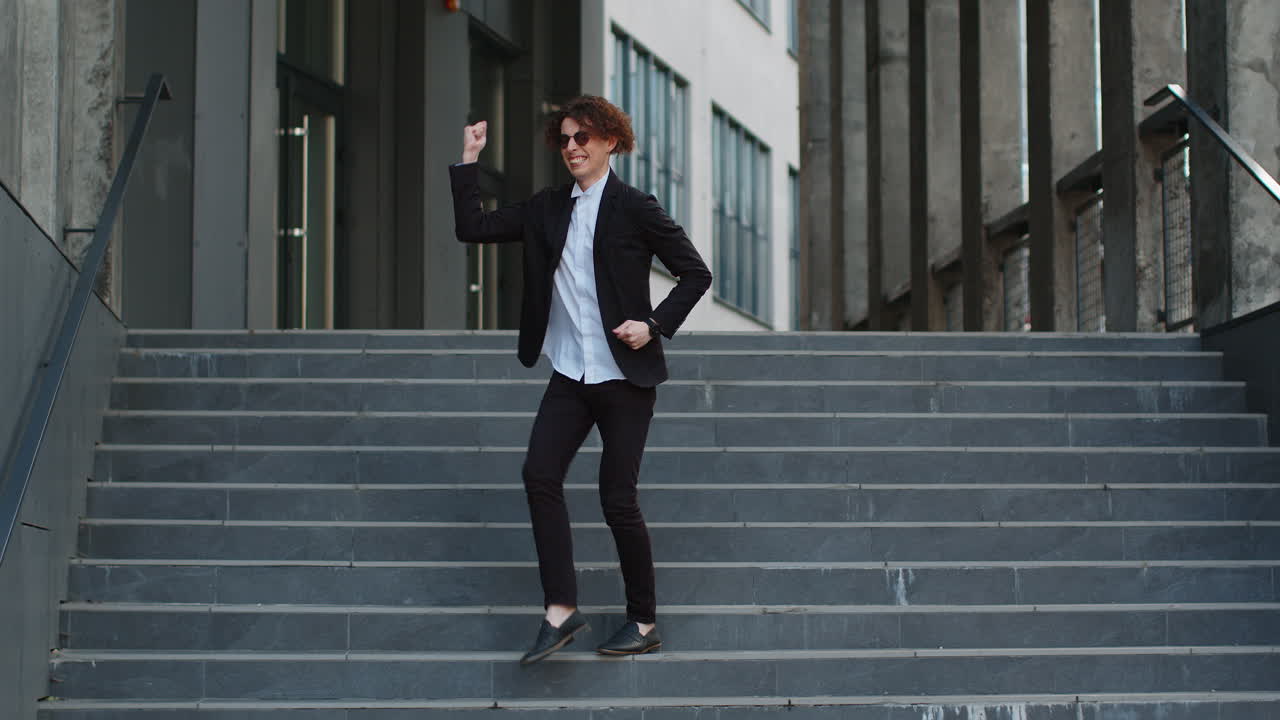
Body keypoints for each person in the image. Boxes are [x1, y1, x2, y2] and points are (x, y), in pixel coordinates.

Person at [449, 95, 712, 665]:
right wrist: (469, 160)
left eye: (583, 137)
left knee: (618, 498)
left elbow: (696, 273)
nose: (572, 147)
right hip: (571, 371)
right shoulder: (547, 208)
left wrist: (653, 325)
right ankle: (561, 609)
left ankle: (643, 621)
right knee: (539, 474)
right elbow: (473, 227)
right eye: (565, 139)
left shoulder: (635, 207)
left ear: (610, 142)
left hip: (624, 376)